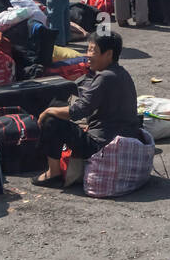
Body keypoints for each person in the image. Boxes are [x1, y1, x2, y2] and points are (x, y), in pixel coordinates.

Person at [33, 32, 143, 188]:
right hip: (121, 136)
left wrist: (48, 111)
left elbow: (79, 111)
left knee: (51, 119)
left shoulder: (104, 77)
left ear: (109, 54)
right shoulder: (122, 73)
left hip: (101, 145)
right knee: (58, 109)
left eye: (93, 51)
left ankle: (53, 173)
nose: (88, 55)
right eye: (88, 49)